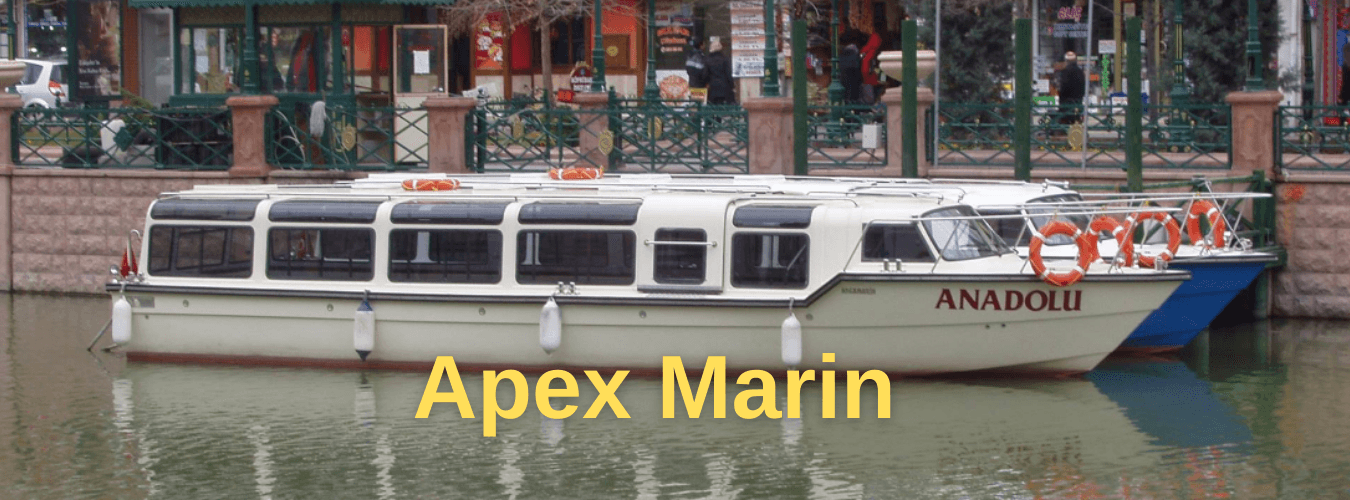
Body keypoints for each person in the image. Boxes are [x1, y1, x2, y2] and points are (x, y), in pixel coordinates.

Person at [1057, 51, 1086, 125]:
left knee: (1061, 119)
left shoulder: (1065, 71)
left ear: (1066, 61)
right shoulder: (1080, 72)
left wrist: (1061, 97)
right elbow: (1083, 88)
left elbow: (1064, 88)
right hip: (1078, 103)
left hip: (1067, 104)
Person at [705, 39, 734, 105]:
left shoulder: (707, 60)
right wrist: (732, 86)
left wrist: (706, 83)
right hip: (725, 87)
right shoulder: (725, 59)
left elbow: (705, 74)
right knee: (724, 107)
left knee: (713, 107)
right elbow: (728, 74)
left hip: (713, 88)